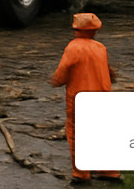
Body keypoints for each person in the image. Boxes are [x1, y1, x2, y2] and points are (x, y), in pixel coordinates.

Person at [49, 12, 120, 181]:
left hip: (79, 96)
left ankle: (81, 173)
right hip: (102, 96)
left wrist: (56, 81)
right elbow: (109, 71)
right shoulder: (100, 48)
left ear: (77, 30)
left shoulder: (73, 47)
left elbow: (63, 71)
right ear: (94, 31)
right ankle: (109, 171)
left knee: (77, 133)